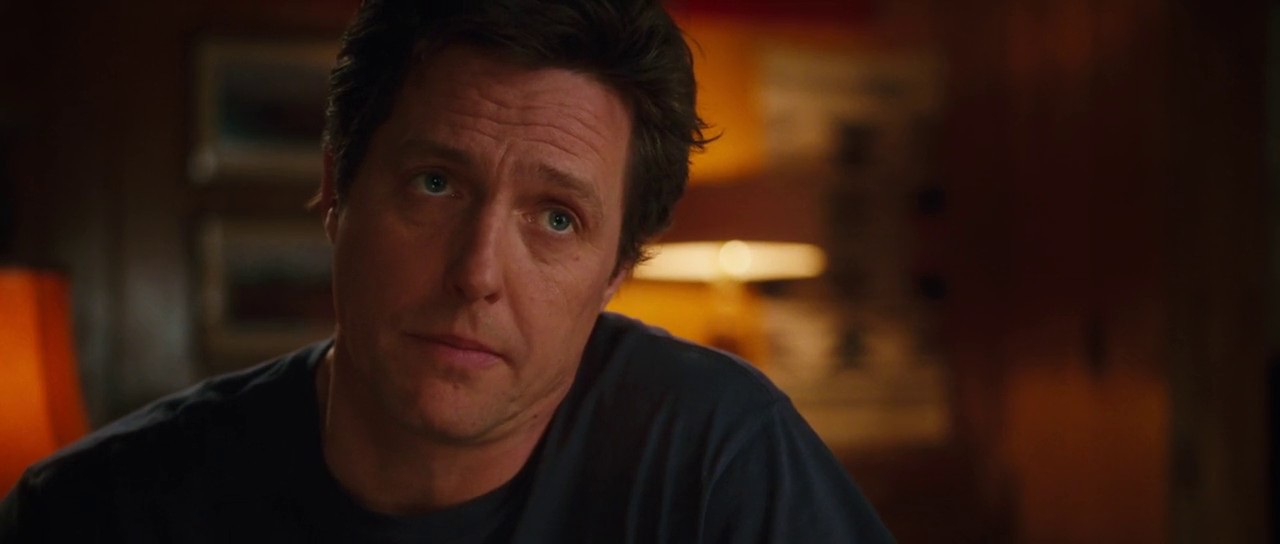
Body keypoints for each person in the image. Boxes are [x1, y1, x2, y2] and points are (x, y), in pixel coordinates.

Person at [0, 0, 893, 541]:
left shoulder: (716, 453)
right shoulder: (100, 512)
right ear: (337, 190)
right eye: (435, 183)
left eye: (557, 218)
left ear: (616, 271)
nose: (477, 274)